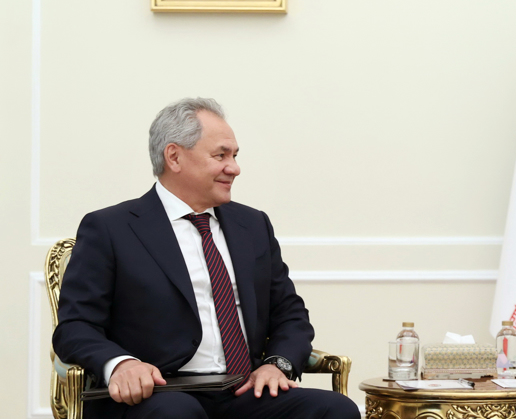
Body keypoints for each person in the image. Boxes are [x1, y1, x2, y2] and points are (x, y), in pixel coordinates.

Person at [52, 98, 358, 419]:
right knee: (177, 413)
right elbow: (75, 326)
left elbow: (290, 314)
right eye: (221, 155)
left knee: (334, 409)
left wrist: (276, 364)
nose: (234, 167)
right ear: (174, 156)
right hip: (160, 392)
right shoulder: (111, 228)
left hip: (243, 389)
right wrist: (122, 364)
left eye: (235, 156)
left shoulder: (252, 225)